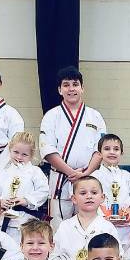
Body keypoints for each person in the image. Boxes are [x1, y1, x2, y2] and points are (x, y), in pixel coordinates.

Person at [40, 66, 106, 229]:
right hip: (61, 180)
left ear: (82, 88)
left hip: (87, 180)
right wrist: (72, 173)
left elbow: (100, 150)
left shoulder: (95, 116)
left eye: (75, 84)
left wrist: (85, 173)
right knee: (58, 229)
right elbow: (48, 150)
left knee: (90, 226)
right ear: (59, 90)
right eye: (66, 85)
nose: (71, 89)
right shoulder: (51, 116)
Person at [51, 176, 119, 260]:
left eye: (94, 192)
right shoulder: (65, 226)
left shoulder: (108, 227)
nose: (89, 196)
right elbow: (54, 257)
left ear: (102, 197)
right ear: (74, 199)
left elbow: (117, 257)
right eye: (83, 193)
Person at [0, 132, 49, 243]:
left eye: (24, 154)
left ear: (31, 155)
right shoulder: (3, 172)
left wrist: (25, 200)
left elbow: (43, 191)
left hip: (26, 222)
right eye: (16, 152)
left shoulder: (35, 172)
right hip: (2, 221)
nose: (19, 157)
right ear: (10, 150)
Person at [91, 134, 130, 250]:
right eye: (107, 149)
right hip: (103, 223)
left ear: (121, 153)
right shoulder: (95, 176)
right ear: (99, 154)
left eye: (116, 149)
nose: (112, 152)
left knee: (126, 257)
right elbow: (92, 199)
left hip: (125, 224)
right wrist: (103, 215)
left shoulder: (126, 176)